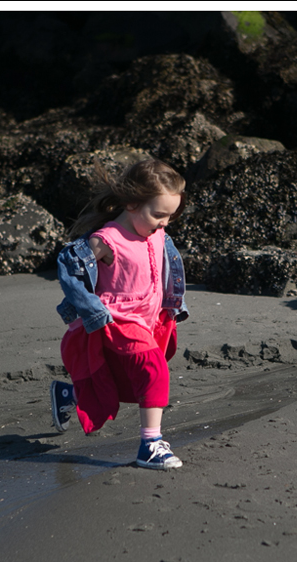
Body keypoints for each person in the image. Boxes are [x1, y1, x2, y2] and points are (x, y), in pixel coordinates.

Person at [51, 158, 189, 470]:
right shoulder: (108, 239)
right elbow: (69, 263)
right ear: (131, 204)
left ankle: (69, 394)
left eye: (170, 216)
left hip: (148, 320)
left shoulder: (156, 233)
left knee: (121, 381)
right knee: (154, 371)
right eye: (158, 214)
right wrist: (87, 309)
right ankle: (150, 444)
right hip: (117, 320)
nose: (164, 223)